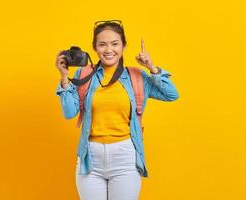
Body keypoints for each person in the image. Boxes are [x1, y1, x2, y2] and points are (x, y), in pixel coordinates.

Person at [55, 20, 179, 200]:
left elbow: (171, 94)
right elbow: (69, 112)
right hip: (90, 158)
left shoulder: (136, 76)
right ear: (95, 48)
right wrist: (64, 77)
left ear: (123, 46)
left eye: (115, 44)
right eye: (102, 44)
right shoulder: (83, 75)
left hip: (125, 157)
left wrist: (151, 67)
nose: (108, 50)